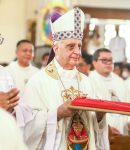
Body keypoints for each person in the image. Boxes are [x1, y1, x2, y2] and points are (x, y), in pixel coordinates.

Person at [16, 8, 109, 150]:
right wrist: (56, 114)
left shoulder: (87, 82)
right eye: (71, 46)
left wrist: (100, 116)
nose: (77, 52)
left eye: (79, 45)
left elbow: (94, 126)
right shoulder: (38, 82)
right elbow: (26, 128)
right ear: (56, 47)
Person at [89, 48, 127, 135]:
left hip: (121, 129)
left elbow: (128, 103)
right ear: (94, 62)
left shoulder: (120, 81)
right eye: (104, 60)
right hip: (99, 130)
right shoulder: (88, 80)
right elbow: (89, 110)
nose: (109, 63)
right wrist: (107, 128)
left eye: (111, 60)